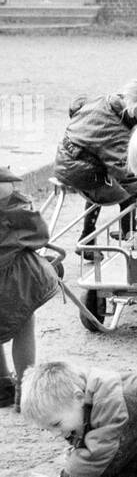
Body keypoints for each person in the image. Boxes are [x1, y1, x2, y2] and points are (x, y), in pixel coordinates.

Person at [53, 77, 137, 249]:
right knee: (135, 190)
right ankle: (131, 236)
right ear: (133, 107)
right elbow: (124, 170)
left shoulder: (105, 102)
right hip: (81, 172)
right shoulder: (116, 130)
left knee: (105, 179)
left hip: (66, 160)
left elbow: (77, 107)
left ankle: (88, 236)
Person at [0, 164, 60, 410]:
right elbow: (40, 234)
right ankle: (24, 392)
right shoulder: (10, 200)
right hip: (15, 277)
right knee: (24, 325)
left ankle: (2, 385)